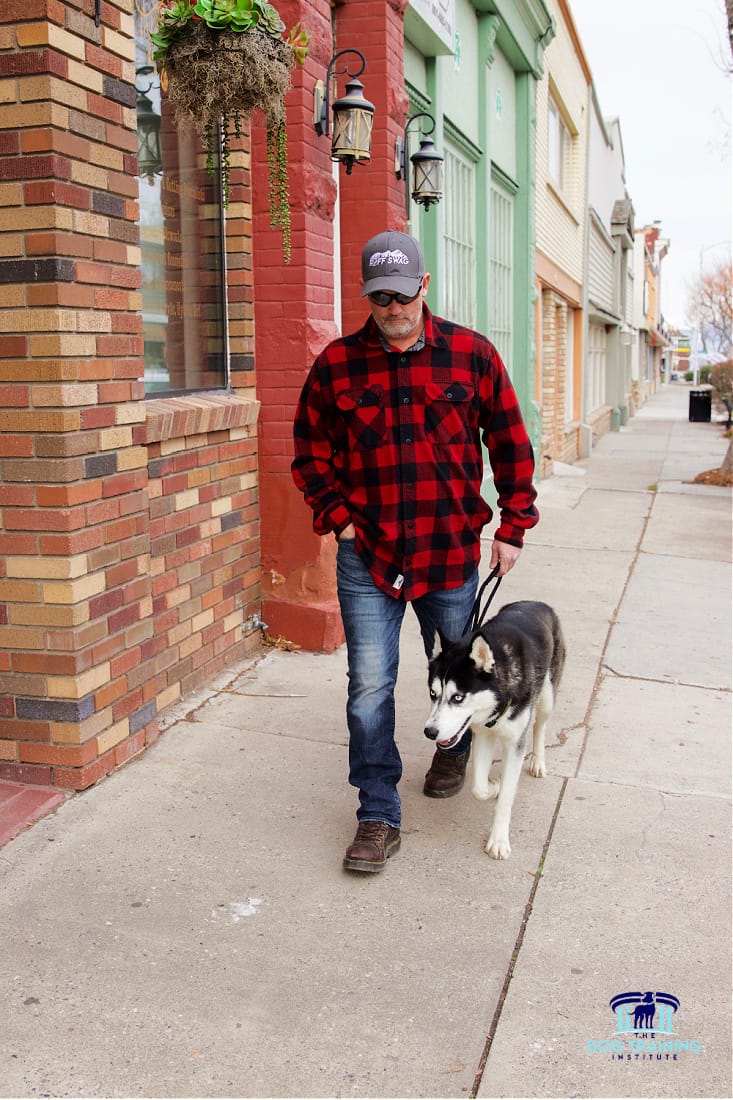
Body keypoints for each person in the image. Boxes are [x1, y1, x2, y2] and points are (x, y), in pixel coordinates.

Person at [292, 230, 538, 873]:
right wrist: (339, 520)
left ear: (423, 287)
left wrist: (513, 526)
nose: (392, 308)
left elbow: (511, 444)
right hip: (368, 557)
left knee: (463, 674)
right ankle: (377, 813)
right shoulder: (338, 364)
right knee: (369, 687)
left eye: (402, 295)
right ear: (367, 295)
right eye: (379, 297)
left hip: (449, 554)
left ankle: (452, 748)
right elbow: (309, 456)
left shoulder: (472, 355)